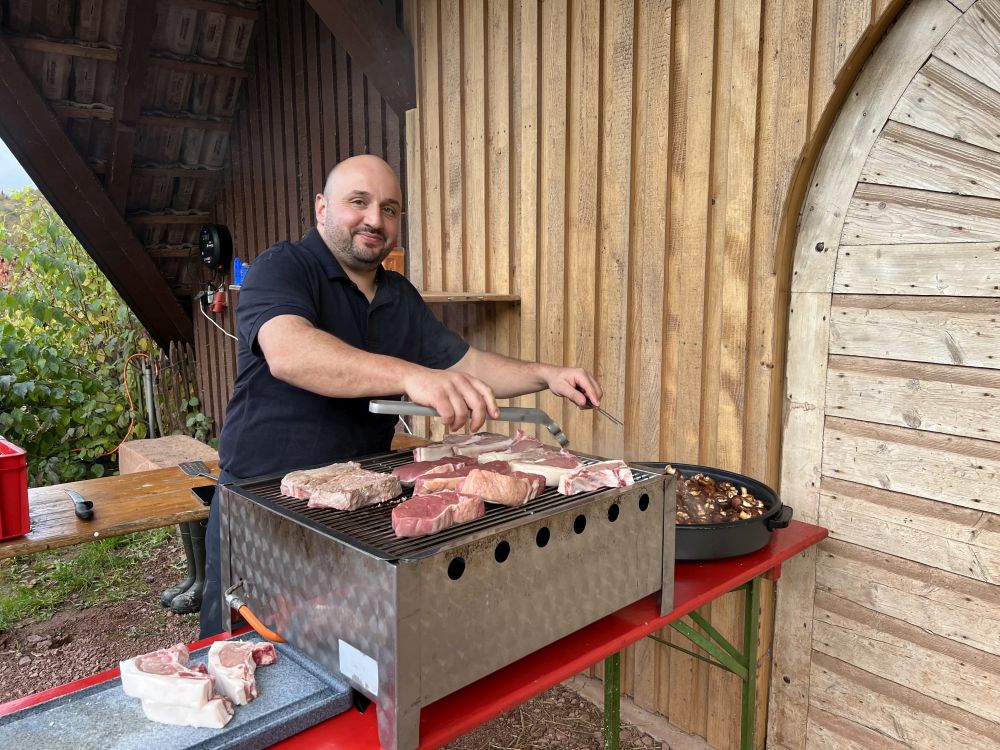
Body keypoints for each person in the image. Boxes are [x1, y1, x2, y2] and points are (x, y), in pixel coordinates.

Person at [199, 154, 604, 637]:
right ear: (322, 208)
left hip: (360, 503)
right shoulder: (283, 267)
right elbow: (290, 352)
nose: (375, 219)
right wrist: (412, 376)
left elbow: (464, 364)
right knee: (244, 654)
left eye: (389, 209)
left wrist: (546, 375)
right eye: (359, 202)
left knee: (344, 650)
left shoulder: (399, 296)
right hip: (266, 506)